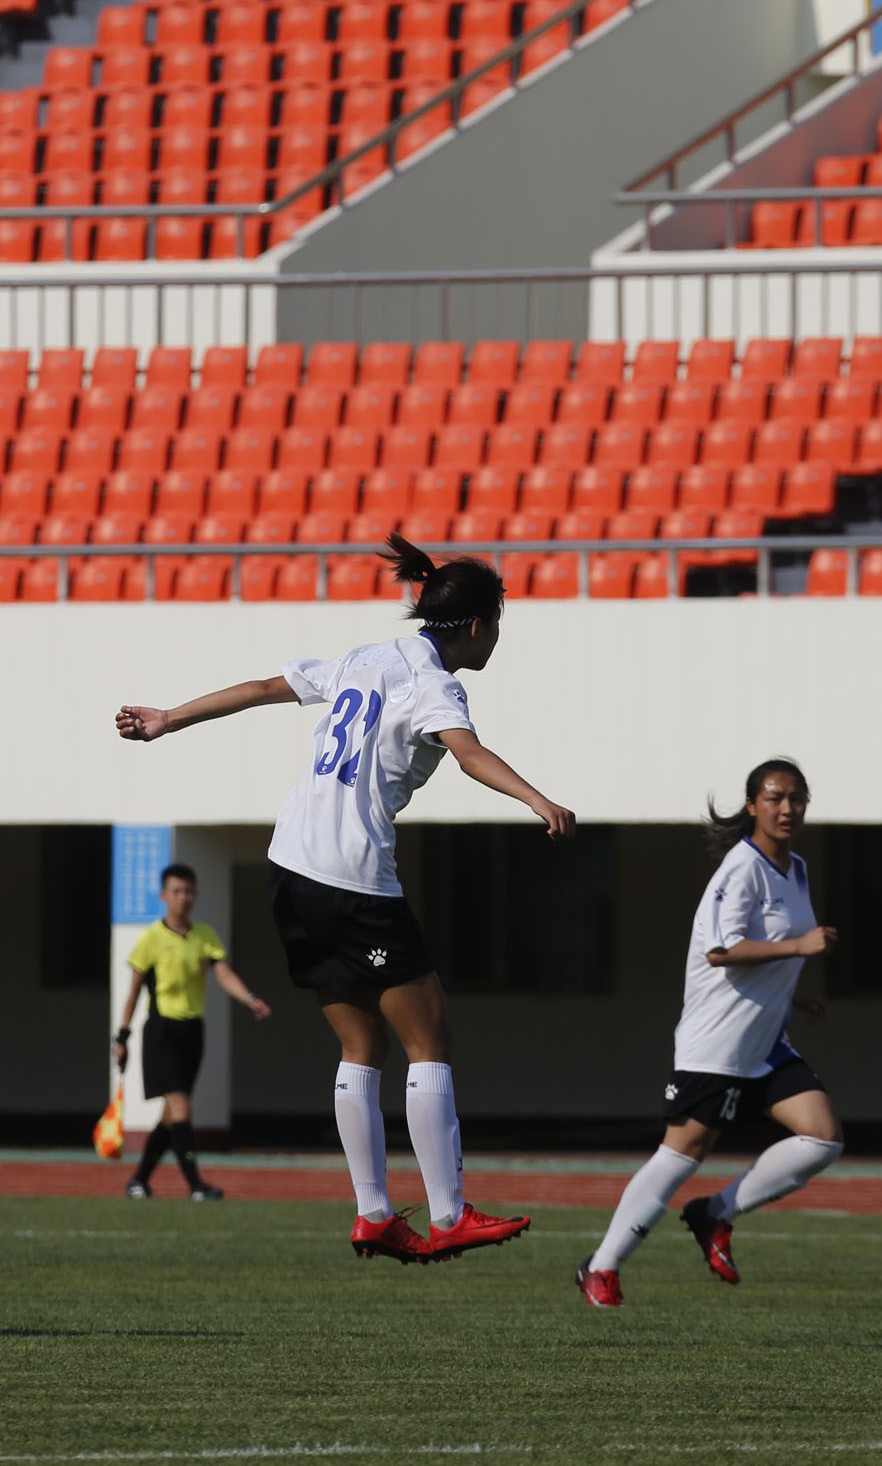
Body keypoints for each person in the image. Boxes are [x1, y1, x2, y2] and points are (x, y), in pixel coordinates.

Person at [116, 534, 574, 1265]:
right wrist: (538, 799)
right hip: (352, 878)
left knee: (362, 1044)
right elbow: (469, 753)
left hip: (288, 867)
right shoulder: (437, 684)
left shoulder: (369, 658)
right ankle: (450, 1213)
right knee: (432, 1041)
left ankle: (373, 1213)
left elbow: (268, 688)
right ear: (479, 626)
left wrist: (170, 717)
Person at [576, 758, 844, 1309]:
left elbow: (769, 945)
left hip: (766, 1043)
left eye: (797, 798)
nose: (787, 808)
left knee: (822, 1137)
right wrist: (800, 949)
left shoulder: (794, 868)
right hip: (716, 1046)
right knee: (682, 1154)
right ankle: (600, 1267)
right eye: (775, 798)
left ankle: (714, 1213)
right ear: (752, 806)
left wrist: (796, 992)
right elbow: (721, 951)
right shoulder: (739, 870)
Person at [113, 862, 273, 1201]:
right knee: (183, 1109)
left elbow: (224, 973)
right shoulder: (150, 939)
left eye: (188, 892)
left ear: (195, 895)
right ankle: (196, 1186)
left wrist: (250, 998)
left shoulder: (204, 935)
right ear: (163, 896)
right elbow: (133, 993)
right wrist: (122, 1038)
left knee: (171, 1116)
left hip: (192, 1033)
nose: (182, 898)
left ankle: (138, 1180)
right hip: (161, 1033)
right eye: (176, 892)